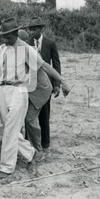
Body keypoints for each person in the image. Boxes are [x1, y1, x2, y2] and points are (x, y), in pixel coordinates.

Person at [0, 18, 44, 180]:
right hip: (2, 89)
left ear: (16, 34)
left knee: (10, 130)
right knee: (9, 128)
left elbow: (39, 66)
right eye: (3, 36)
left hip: (18, 90)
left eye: (8, 36)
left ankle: (7, 167)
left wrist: (27, 80)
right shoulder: (1, 49)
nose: (5, 39)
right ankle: (31, 153)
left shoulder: (26, 49)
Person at [18, 29, 70, 151]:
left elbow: (47, 66)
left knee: (30, 119)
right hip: (30, 89)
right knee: (26, 118)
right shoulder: (16, 50)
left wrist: (62, 82)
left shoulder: (29, 51)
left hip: (41, 90)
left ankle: (37, 149)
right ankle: (30, 146)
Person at [26, 17, 62, 150]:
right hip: (31, 84)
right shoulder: (26, 44)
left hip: (47, 86)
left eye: (35, 29)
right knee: (29, 115)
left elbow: (56, 65)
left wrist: (57, 84)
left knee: (45, 115)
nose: (32, 32)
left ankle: (45, 143)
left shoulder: (50, 44)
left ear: (41, 29)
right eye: (30, 30)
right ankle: (29, 142)